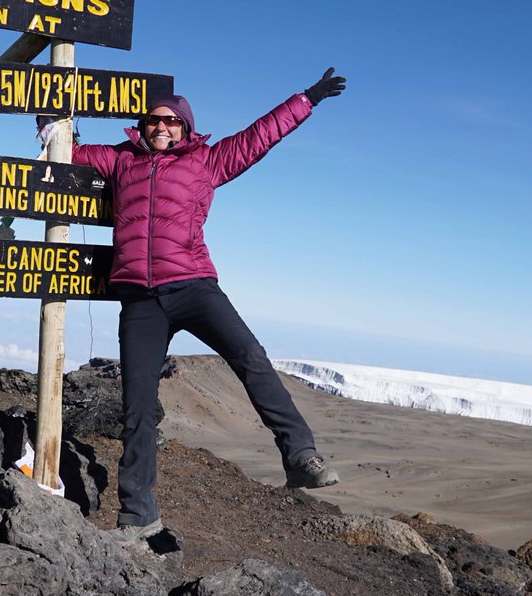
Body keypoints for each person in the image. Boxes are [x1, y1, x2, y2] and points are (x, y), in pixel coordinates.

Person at [67, 67, 347, 540]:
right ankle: (138, 513)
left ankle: (300, 455)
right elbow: (68, 153)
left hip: (194, 285)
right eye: (153, 121)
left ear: (186, 128)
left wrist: (307, 99)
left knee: (250, 357)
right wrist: (49, 115)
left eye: (171, 122)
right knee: (136, 406)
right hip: (139, 300)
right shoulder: (119, 160)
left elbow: (259, 137)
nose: (161, 127)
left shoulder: (207, 162)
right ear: (141, 126)